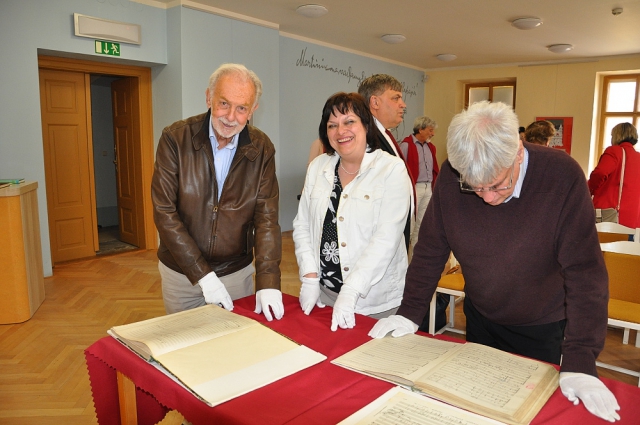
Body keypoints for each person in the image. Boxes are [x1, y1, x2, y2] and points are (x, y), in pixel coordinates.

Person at [369, 101, 620, 422]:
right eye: (474, 187)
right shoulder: (452, 174)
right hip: (481, 317)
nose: (487, 197)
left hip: (541, 324)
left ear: (518, 153)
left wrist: (581, 358)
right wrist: (409, 313)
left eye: (498, 184)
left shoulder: (562, 175)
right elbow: (430, 249)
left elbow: (585, 274)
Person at [151, 63, 284, 321]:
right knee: (184, 341)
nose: (231, 116)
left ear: (253, 110)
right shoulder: (175, 138)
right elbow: (164, 211)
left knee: (233, 342)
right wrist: (203, 275)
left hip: (234, 274)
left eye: (242, 108)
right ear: (208, 98)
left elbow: (267, 219)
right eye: (224, 103)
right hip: (181, 274)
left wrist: (268, 280)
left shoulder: (262, 148)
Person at [293, 92, 411, 332]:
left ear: (366, 125)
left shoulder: (391, 169)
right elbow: (302, 225)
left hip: (374, 301)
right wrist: (310, 277)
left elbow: (386, 240)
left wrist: (351, 290)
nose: (341, 131)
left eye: (349, 122)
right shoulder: (318, 167)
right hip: (325, 294)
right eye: (332, 125)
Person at [358, 74, 414, 249]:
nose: (403, 104)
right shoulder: (366, 137)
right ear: (375, 102)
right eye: (396, 98)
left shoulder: (382, 133)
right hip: (378, 240)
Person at [588, 122, 640, 231]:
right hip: (633, 218)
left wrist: (589, 190)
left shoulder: (614, 151)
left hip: (610, 214)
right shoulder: (638, 157)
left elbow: (600, 173)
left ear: (617, 135)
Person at [400, 116, 439, 248]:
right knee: (411, 222)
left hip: (428, 188)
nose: (432, 133)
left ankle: (416, 255)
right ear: (420, 129)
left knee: (422, 223)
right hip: (414, 188)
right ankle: (406, 253)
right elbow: (400, 169)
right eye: (430, 130)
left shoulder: (431, 147)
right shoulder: (406, 145)